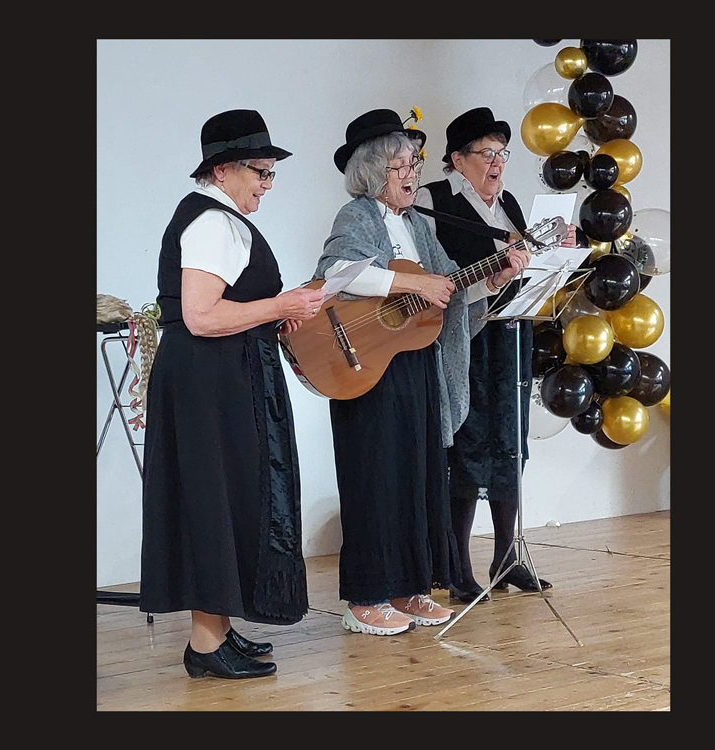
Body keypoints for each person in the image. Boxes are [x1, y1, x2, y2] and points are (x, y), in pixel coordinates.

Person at [311, 108, 532, 635]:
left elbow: (446, 288)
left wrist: (495, 272)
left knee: (418, 476)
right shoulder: (357, 217)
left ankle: (410, 589)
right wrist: (411, 286)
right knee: (374, 480)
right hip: (363, 366)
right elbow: (336, 275)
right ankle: (365, 597)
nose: (413, 173)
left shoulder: (415, 224)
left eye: (414, 163)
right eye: (401, 166)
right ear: (370, 172)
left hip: (413, 363)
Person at [138, 109, 326, 679]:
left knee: (231, 496)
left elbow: (224, 311)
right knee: (214, 499)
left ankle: (218, 628)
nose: (267, 185)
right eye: (260, 173)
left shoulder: (220, 218)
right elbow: (198, 316)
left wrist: (270, 320)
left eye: (272, 174)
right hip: (207, 382)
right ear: (223, 171)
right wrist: (280, 306)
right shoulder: (212, 223)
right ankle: (203, 645)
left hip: (220, 376)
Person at [414, 107, 578, 603]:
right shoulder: (431, 200)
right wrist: (493, 278)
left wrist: (558, 254)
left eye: (502, 153)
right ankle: (457, 565)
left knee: (511, 444)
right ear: (456, 159)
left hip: (511, 339)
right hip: (462, 341)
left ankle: (507, 556)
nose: (498, 163)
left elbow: (527, 269)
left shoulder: (507, 205)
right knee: (465, 447)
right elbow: (427, 277)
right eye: (486, 153)